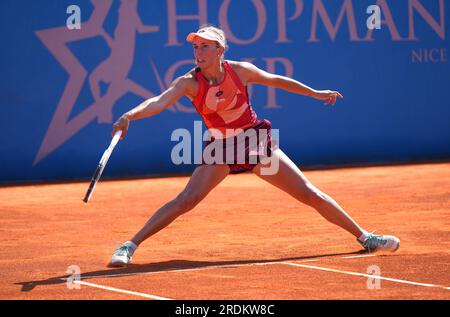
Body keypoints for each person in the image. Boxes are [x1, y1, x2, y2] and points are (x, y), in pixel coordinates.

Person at [109, 25, 400, 267]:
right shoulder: (188, 83)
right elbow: (158, 102)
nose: (198, 52)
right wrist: (129, 115)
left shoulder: (241, 71)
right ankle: (129, 245)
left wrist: (314, 93)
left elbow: (277, 80)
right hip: (220, 148)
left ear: (220, 50)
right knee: (186, 200)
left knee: (309, 193)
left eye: (205, 46)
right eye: (195, 47)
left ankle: (365, 238)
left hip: (254, 142)